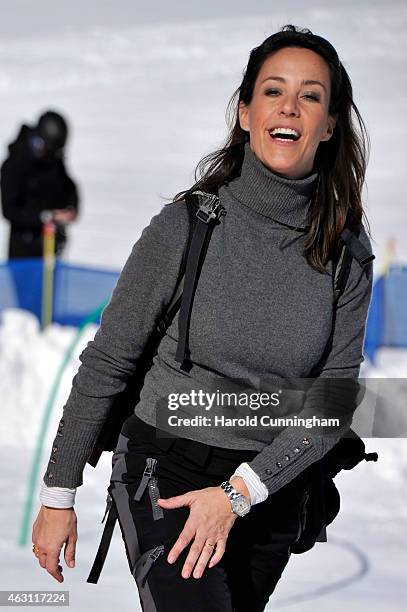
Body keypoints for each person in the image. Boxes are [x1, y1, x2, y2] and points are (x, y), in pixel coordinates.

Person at [31, 25, 374, 611]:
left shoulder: (345, 249)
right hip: (167, 469)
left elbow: (333, 399)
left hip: (269, 484)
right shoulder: (188, 225)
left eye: (311, 95)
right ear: (245, 112)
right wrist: (59, 491)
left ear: (330, 123)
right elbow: (109, 361)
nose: (290, 106)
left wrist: (242, 492)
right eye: (272, 91)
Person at [1, 110, 79, 258]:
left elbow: (69, 187)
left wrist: (71, 208)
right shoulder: (14, 164)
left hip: (53, 247)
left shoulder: (53, 161)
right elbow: (9, 210)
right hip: (25, 251)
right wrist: (46, 216)